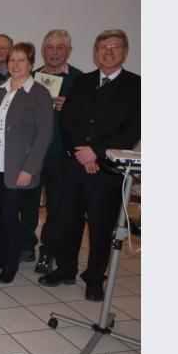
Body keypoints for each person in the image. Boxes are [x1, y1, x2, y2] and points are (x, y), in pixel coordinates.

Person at [39, 29, 140, 302]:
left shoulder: (137, 86)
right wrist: (80, 151)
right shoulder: (82, 82)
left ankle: (94, 279)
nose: (109, 52)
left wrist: (95, 153)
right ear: (96, 53)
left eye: (115, 47)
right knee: (67, 221)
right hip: (73, 166)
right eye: (103, 47)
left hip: (107, 171)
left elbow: (133, 130)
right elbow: (67, 120)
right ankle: (66, 269)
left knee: (100, 227)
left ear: (124, 52)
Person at [0, 42, 53, 283]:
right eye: (12, 61)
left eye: (21, 61)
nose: (15, 65)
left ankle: (11, 261)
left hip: (18, 169)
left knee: (10, 216)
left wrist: (29, 169)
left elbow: (45, 135)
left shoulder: (39, 93)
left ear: (31, 64)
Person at [21, 29, 84, 273]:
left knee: (56, 207)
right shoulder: (31, 77)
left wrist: (70, 106)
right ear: (43, 50)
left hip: (61, 154)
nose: (54, 52)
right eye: (49, 47)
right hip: (32, 152)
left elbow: (87, 117)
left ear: (68, 50)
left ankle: (47, 252)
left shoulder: (80, 79)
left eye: (60, 47)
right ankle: (26, 245)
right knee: (27, 202)